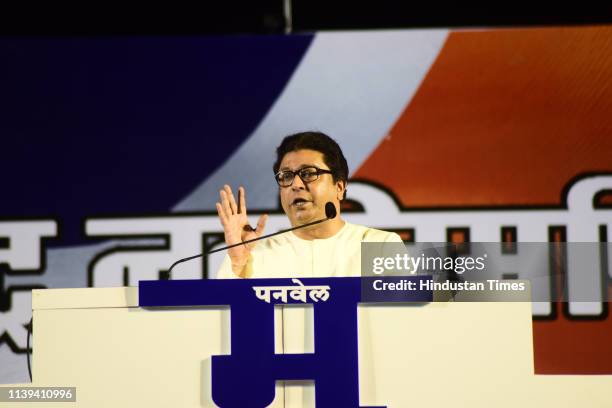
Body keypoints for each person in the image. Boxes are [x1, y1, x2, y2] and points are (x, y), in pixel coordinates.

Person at [215, 131, 403, 279]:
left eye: (308, 173)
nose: (296, 185)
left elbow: (411, 314)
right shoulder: (254, 255)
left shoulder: (380, 246)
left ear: (339, 186)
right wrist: (238, 266)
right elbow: (220, 318)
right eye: (286, 176)